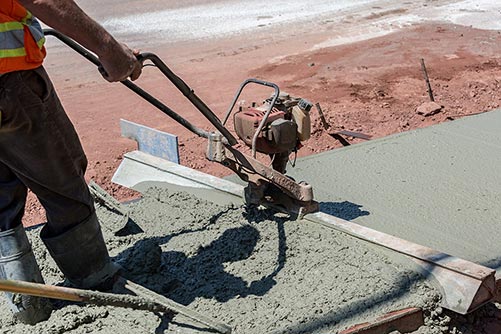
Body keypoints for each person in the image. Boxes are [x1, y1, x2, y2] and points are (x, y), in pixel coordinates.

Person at [0, 0, 142, 325]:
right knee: (62, 182)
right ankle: (97, 281)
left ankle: (29, 310)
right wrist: (108, 48)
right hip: (10, 83)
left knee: (2, 200)